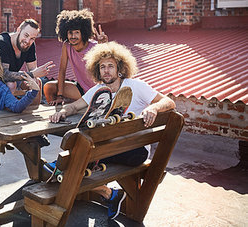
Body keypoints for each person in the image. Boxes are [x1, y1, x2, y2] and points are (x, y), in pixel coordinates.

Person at [48, 41, 175, 220]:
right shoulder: (99, 90)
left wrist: (154, 108)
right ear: (97, 70)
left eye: (110, 66)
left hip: (135, 150)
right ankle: (109, 194)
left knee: (74, 162)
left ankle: (59, 168)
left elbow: (169, 102)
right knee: (79, 162)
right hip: (109, 149)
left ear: (120, 68)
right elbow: (75, 107)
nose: (106, 71)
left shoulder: (135, 85)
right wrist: (62, 112)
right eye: (102, 67)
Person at [43, 9, 108, 105]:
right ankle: (59, 109)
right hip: (80, 89)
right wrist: (59, 96)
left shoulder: (95, 46)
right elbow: (62, 70)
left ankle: (80, 103)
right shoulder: (67, 45)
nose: (73, 36)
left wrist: (103, 46)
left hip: (97, 90)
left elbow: (108, 69)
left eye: (77, 32)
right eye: (70, 33)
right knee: (49, 87)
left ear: (83, 32)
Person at [0, 19, 55, 104]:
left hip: (12, 76)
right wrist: (32, 74)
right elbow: (4, 75)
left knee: (37, 82)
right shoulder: (2, 43)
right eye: (26, 35)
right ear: (18, 30)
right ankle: (4, 114)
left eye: (32, 38)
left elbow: (32, 69)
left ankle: (33, 112)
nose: (28, 41)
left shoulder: (29, 45)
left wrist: (32, 78)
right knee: (11, 84)